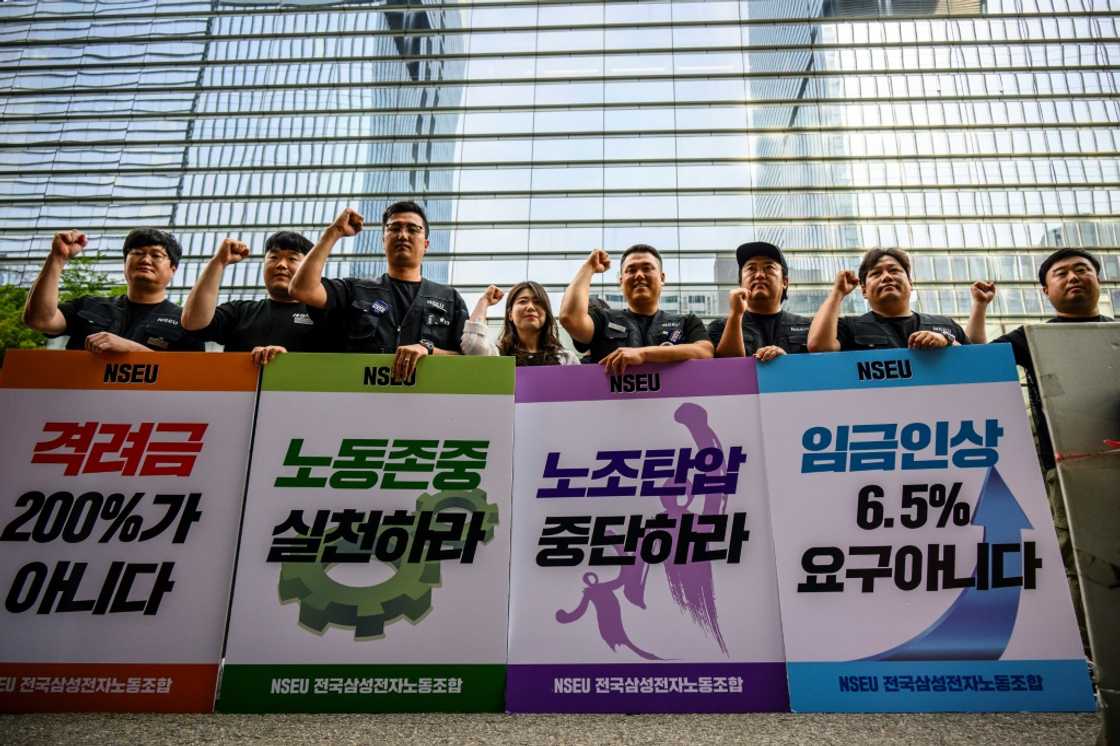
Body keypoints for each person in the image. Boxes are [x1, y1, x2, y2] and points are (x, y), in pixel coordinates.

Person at [970, 248, 1112, 654]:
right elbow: (980, 362)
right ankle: (1094, 657)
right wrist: (980, 307)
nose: (1073, 277)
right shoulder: (1031, 336)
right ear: (1045, 291)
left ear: (1099, 280)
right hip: (1065, 469)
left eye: (1082, 270)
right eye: (1061, 273)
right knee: (1081, 562)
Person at [288, 201, 468, 381]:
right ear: (383, 241)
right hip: (359, 394)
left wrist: (428, 349)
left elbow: (469, 358)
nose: (403, 235)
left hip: (427, 396)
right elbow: (302, 289)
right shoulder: (354, 290)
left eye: (413, 229)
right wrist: (334, 231)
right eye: (394, 228)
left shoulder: (449, 299)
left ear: (426, 244)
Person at [22, 228, 203, 353]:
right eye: (137, 253)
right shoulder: (88, 305)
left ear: (173, 269)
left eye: (156, 255)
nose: (145, 260)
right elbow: (40, 320)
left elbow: (191, 377)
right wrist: (57, 258)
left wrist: (133, 350)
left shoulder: (187, 322)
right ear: (125, 263)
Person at [558, 245, 713, 374]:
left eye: (647, 268)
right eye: (631, 270)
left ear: (662, 278)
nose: (639, 275)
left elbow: (705, 352)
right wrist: (589, 267)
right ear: (621, 281)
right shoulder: (602, 319)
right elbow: (570, 319)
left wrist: (644, 354)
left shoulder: (686, 322)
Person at [181, 231, 330, 364]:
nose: (281, 265)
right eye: (273, 257)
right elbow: (192, 322)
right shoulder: (240, 312)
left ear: (309, 268)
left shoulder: (326, 316)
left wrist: (286, 362)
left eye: (292, 259)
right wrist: (218, 262)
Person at [807, 247, 968, 352]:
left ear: (910, 283)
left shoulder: (946, 326)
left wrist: (946, 342)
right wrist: (838, 293)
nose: (886, 277)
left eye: (894, 270)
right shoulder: (849, 328)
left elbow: (976, 364)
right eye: (876, 273)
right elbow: (819, 347)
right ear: (864, 290)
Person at [709, 241, 812, 362]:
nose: (759, 275)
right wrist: (735, 315)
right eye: (751, 268)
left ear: (785, 282)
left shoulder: (809, 327)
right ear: (741, 282)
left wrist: (785, 363)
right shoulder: (720, 327)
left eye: (769, 267)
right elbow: (724, 367)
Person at [464, 281, 580, 365]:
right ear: (510, 315)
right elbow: (473, 345)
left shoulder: (566, 359)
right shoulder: (498, 354)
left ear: (546, 314)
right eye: (523, 301)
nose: (530, 307)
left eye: (537, 302)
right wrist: (484, 301)